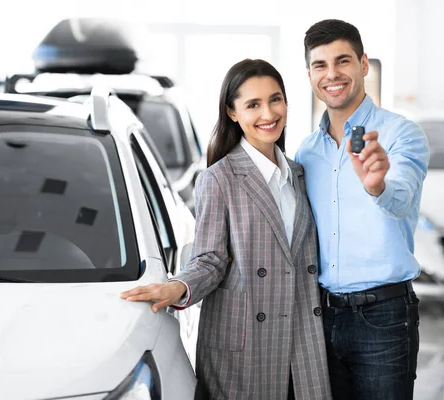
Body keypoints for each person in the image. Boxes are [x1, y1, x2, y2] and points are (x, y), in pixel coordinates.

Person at [121, 59, 331, 400]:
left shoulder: (300, 174)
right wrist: (178, 287)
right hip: (247, 340)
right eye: (253, 104)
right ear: (233, 113)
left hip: (303, 337)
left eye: (275, 99)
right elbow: (210, 258)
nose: (268, 113)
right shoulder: (219, 178)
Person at [294, 19, 430, 400]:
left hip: (384, 317)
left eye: (343, 61)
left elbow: (401, 197)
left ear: (364, 64)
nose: (332, 74)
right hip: (321, 315)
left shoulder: (401, 134)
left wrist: (378, 186)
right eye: (320, 65)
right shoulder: (306, 151)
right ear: (310, 75)